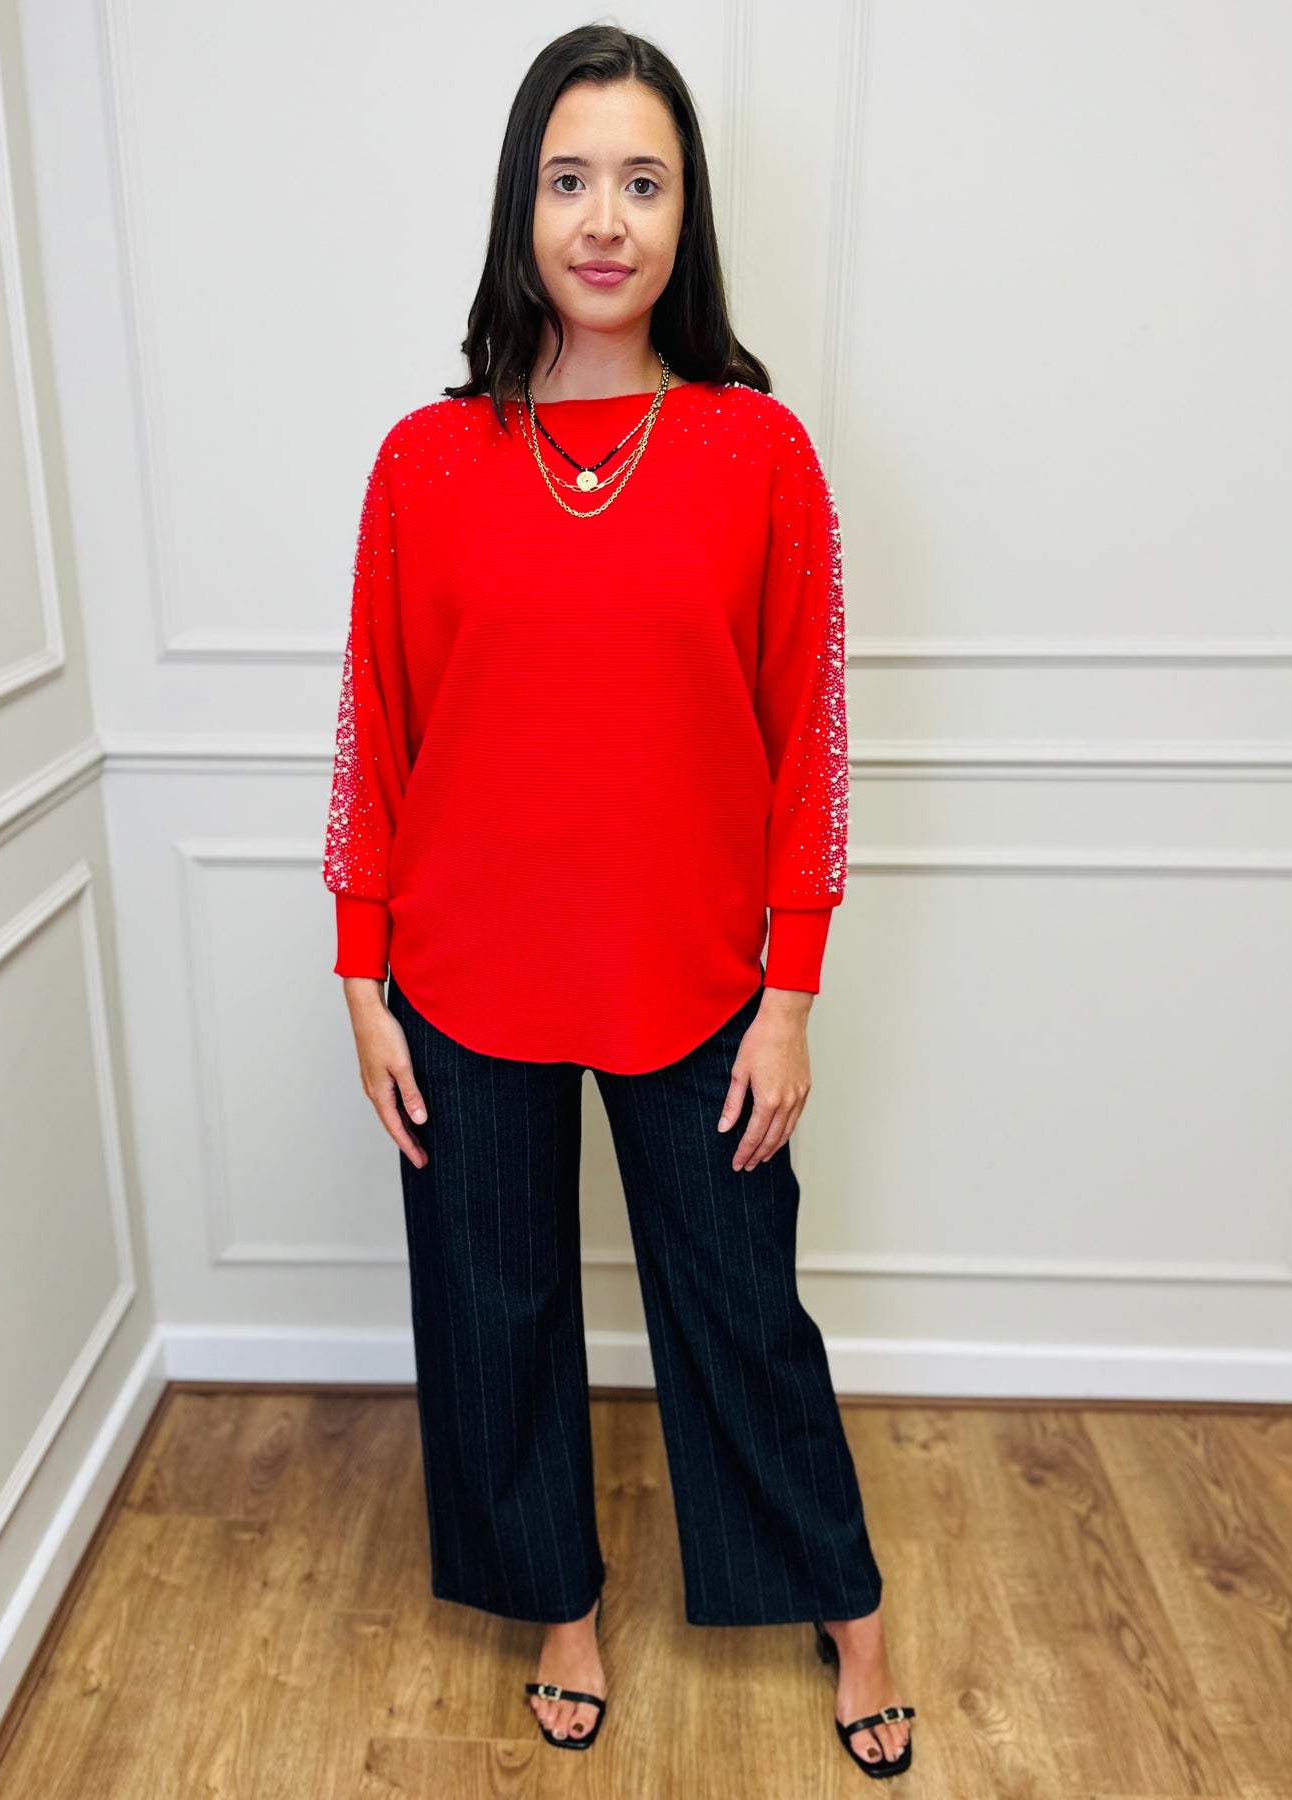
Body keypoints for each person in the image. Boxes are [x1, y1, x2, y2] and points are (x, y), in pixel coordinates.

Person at [323, 22, 916, 1780]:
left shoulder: (757, 453)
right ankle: (559, 1604)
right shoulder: (423, 462)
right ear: (521, 209)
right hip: (462, 973)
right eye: (568, 179)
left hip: (698, 981)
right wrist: (360, 972)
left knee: (739, 1310)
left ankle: (846, 1606)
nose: (604, 219)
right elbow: (375, 725)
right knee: (491, 1316)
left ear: (684, 214)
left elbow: (807, 740)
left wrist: (789, 995)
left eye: (641, 183)